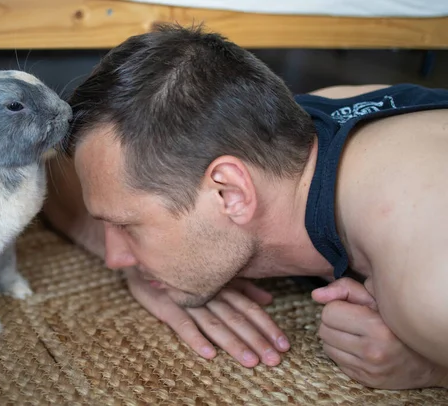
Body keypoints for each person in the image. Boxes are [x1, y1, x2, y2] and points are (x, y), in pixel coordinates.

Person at [42, 23, 448, 390]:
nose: (116, 258)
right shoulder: (287, 131)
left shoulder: (429, 286)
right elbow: (52, 177)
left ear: (229, 193)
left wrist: (429, 370)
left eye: (128, 228)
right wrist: (150, 264)